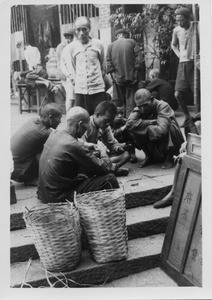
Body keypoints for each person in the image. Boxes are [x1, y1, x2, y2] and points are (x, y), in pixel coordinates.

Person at [37, 106, 119, 203]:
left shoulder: (55, 134)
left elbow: (71, 144)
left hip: (43, 194)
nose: (85, 131)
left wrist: (85, 145)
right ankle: (109, 209)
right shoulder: (75, 146)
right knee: (110, 179)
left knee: (83, 174)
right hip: (58, 197)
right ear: (80, 124)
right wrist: (103, 151)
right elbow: (104, 168)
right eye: (85, 127)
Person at [126, 89, 184, 169]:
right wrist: (150, 122)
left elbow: (162, 130)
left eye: (145, 105)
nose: (142, 109)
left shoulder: (163, 106)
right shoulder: (139, 108)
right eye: (139, 106)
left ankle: (170, 157)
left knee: (170, 126)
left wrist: (142, 127)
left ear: (152, 99)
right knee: (133, 129)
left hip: (172, 141)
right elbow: (129, 124)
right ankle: (149, 156)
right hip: (155, 137)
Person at [64, 16, 107, 115]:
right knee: (82, 118)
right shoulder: (72, 47)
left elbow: (103, 67)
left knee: (100, 117)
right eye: (78, 30)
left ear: (90, 29)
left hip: (98, 90)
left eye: (84, 29)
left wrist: (96, 81)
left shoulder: (99, 45)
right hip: (80, 90)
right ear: (75, 31)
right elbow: (73, 68)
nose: (82, 33)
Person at [11, 103, 62, 186]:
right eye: (59, 118)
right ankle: (31, 179)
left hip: (12, 167)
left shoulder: (34, 120)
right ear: (50, 118)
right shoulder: (43, 133)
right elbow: (64, 142)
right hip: (18, 172)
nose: (60, 121)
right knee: (55, 152)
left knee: (45, 147)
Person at [81, 101, 131, 176]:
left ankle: (108, 170)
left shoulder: (106, 126)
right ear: (97, 115)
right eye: (106, 120)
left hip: (102, 158)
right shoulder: (86, 125)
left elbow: (112, 144)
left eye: (110, 121)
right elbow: (82, 149)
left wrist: (120, 147)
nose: (108, 124)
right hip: (90, 158)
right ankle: (109, 171)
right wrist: (100, 152)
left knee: (126, 155)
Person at [171, 7, 200, 120]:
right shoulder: (177, 30)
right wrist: (179, 55)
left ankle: (200, 116)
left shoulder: (197, 26)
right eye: (177, 20)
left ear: (189, 18)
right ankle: (188, 117)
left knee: (198, 93)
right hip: (183, 64)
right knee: (177, 94)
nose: (179, 23)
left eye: (182, 20)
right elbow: (173, 45)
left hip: (195, 63)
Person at [106, 28, 140, 118]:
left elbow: (108, 62)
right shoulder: (132, 42)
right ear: (125, 35)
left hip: (118, 78)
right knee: (131, 100)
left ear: (117, 36)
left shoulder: (111, 46)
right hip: (131, 77)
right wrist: (135, 74)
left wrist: (114, 76)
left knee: (118, 100)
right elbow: (138, 59)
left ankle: (120, 119)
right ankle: (130, 119)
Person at [56, 28, 76, 112]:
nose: (69, 40)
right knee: (70, 95)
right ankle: (69, 115)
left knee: (73, 95)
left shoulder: (73, 45)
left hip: (71, 74)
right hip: (64, 74)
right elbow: (64, 63)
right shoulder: (62, 47)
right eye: (67, 38)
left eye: (70, 38)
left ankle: (73, 113)